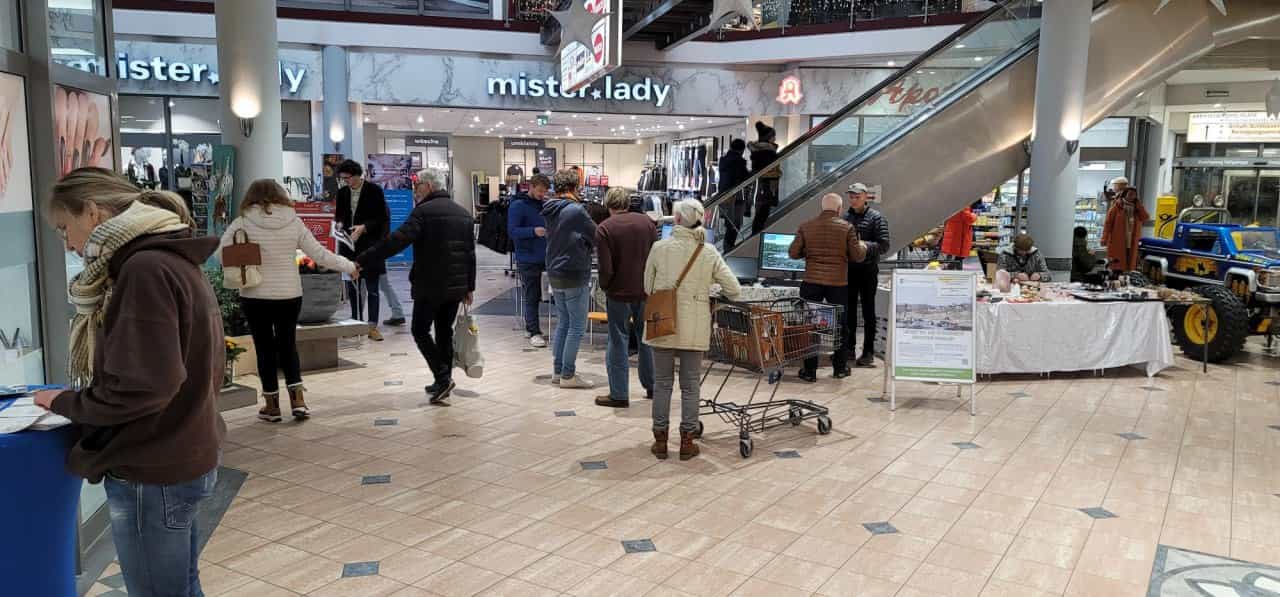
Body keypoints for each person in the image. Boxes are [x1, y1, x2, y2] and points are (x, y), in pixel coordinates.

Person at [33, 168, 225, 597]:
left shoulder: (144, 269)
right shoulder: (167, 258)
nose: (68, 244)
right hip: (180, 452)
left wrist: (64, 402)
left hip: (153, 466)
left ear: (93, 212)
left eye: (65, 228)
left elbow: (143, 386)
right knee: (179, 586)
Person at [220, 179, 358, 422]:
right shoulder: (293, 221)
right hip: (289, 295)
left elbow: (222, 252)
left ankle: (272, 407)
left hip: (255, 295)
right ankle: (298, 402)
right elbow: (319, 254)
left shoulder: (242, 222)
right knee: (288, 345)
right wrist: (349, 266)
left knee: (264, 349)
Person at [356, 169, 476, 405]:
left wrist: (363, 259)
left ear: (428, 186)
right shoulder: (463, 213)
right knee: (444, 332)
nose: (414, 189)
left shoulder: (423, 212)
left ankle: (442, 377)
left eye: (417, 184)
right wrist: (469, 287)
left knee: (420, 330)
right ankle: (443, 380)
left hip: (429, 284)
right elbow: (470, 254)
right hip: (455, 286)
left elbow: (395, 242)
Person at [645, 200, 742, 460]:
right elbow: (734, 289)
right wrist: (709, 294)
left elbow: (647, 286)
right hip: (695, 325)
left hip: (662, 322)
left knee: (662, 383)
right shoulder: (708, 252)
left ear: (676, 219)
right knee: (690, 385)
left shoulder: (659, 247)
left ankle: (660, 441)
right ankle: (687, 442)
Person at [790, 193, 867, 382]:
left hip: (811, 283)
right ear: (839, 209)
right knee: (840, 326)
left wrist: (808, 251)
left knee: (810, 325)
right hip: (837, 285)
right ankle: (840, 368)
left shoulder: (806, 226)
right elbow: (858, 256)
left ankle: (809, 371)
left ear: (822, 207)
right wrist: (862, 246)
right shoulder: (847, 228)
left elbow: (793, 253)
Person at [595, 187, 657, 408]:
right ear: (628, 203)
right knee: (646, 339)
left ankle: (619, 394)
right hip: (645, 290)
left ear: (608, 204)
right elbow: (655, 257)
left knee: (618, 340)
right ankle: (652, 386)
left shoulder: (605, 228)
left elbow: (605, 268)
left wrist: (605, 287)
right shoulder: (648, 224)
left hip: (618, 293)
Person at [543, 169, 597, 389]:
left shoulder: (550, 208)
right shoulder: (575, 210)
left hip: (555, 270)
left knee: (564, 323)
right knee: (576, 326)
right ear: (575, 187)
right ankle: (568, 375)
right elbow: (595, 235)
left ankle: (558, 372)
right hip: (573, 271)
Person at [334, 159, 389, 341]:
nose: (345, 182)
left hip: (370, 246)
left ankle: (372, 326)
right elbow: (339, 216)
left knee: (372, 288)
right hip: (349, 246)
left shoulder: (374, 191)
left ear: (357, 175)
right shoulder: (342, 193)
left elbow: (382, 218)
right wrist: (339, 225)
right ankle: (355, 322)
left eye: (347, 178)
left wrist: (364, 227)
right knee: (353, 287)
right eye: (343, 179)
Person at [844, 182, 890, 368]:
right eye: (851, 196)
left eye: (857, 196)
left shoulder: (876, 218)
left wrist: (864, 245)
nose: (854, 200)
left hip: (868, 271)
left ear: (865, 197)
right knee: (849, 312)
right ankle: (848, 349)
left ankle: (868, 352)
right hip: (849, 271)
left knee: (868, 311)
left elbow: (884, 245)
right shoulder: (844, 218)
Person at [509, 174, 551, 348]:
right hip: (527, 258)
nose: (542, 194)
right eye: (540, 191)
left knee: (544, 295)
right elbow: (512, 231)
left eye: (545, 191)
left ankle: (530, 326)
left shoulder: (544, 205)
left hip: (545, 257)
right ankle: (534, 331)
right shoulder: (518, 205)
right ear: (531, 187)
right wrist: (533, 231)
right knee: (532, 296)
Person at [1102, 176, 1149, 272]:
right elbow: (1108, 224)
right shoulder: (1116, 206)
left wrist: (1138, 205)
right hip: (1118, 239)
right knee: (1117, 263)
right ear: (1125, 194)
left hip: (1132, 240)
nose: (1132, 196)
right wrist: (1104, 238)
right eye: (1130, 194)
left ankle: (1126, 277)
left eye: (1134, 194)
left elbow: (1145, 217)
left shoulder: (1137, 208)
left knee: (1129, 263)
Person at [718, 138, 751, 249]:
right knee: (735, 224)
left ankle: (727, 247)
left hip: (723, 196)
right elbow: (745, 177)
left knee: (730, 224)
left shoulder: (723, 160)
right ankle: (729, 248)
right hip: (736, 196)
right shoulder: (739, 162)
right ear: (741, 150)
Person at [749, 122, 781, 235]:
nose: (775, 138)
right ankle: (755, 238)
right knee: (761, 215)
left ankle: (755, 237)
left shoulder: (760, 151)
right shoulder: (766, 152)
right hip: (765, 187)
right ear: (768, 137)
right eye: (773, 136)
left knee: (760, 215)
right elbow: (768, 170)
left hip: (762, 187)